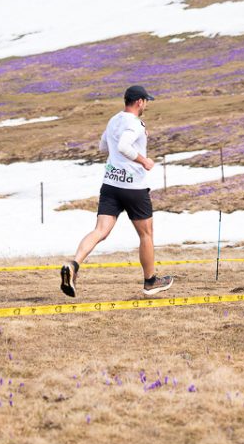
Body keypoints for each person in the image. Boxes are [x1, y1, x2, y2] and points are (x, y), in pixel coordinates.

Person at [61, 85, 174, 298]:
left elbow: (104, 147)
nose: (146, 105)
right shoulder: (136, 124)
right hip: (133, 188)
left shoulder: (114, 120)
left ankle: (73, 265)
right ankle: (150, 281)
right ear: (139, 102)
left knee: (100, 231)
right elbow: (123, 146)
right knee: (146, 234)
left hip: (111, 185)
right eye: (146, 101)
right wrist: (144, 160)